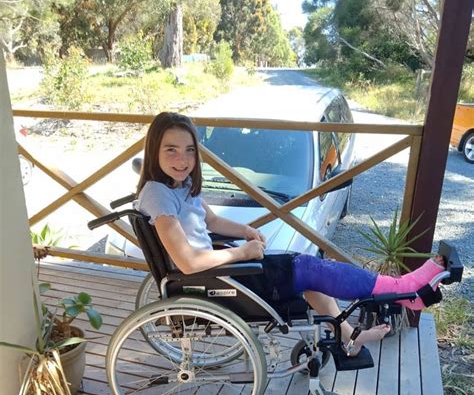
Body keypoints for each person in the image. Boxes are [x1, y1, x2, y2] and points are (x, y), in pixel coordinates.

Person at [136, 112, 445, 359]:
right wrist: (242, 252)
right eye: (171, 150)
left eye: (190, 150)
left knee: (309, 271)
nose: (182, 159)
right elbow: (188, 262)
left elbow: (212, 220)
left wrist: (245, 230)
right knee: (309, 269)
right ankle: (404, 290)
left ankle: (351, 335)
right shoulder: (159, 196)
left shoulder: (178, 185)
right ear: (155, 151)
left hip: (219, 272)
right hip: (211, 280)